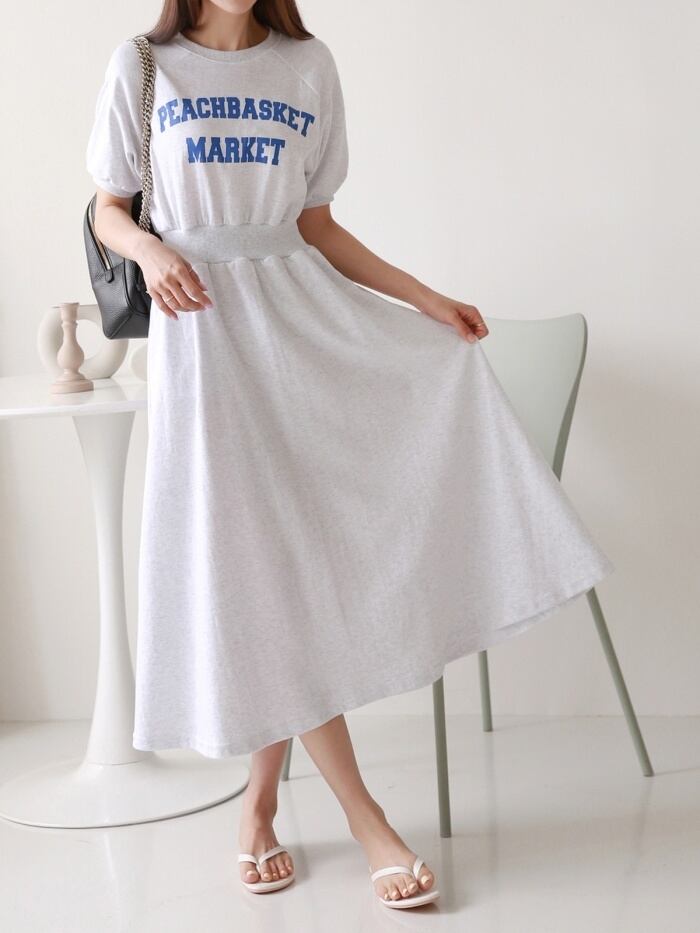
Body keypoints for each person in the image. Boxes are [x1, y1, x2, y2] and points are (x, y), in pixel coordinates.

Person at [85, 0, 615, 910]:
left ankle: (259, 808)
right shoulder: (143, 64)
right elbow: (108, 208)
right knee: (257, 570)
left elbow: (318, 227)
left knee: (275, 576)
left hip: (301, 331)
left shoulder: (307, 65)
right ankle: (362, 818)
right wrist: (149, 250)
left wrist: (424, 299)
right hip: (202, 338)